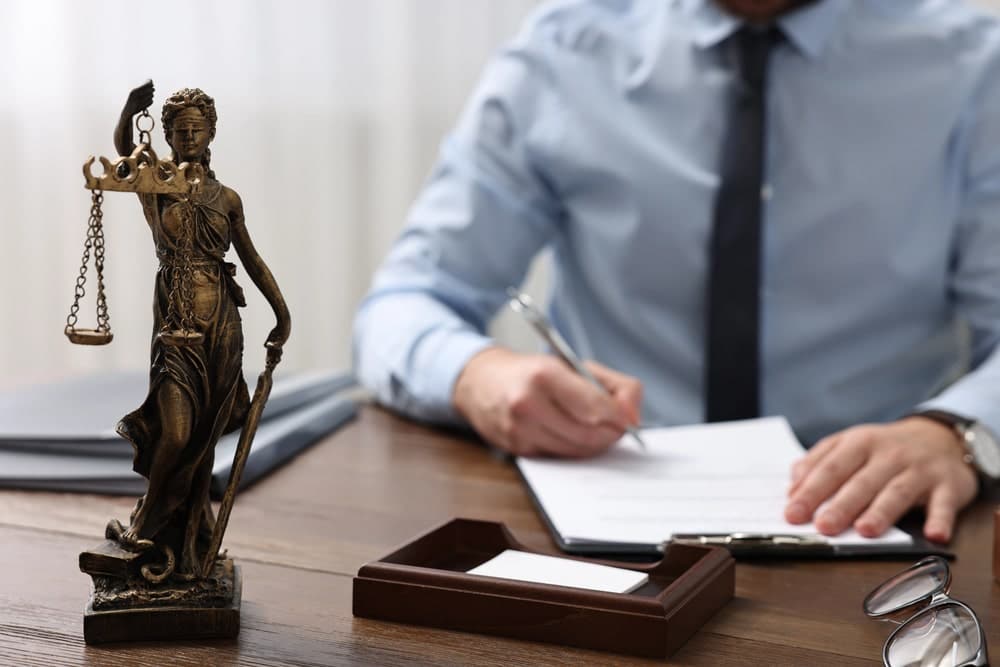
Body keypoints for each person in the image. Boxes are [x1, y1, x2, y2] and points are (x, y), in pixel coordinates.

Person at [353, 0, 1000, 545]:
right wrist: (478, 375)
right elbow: (405, 302)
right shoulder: (564, 50)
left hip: (875, 524)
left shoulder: (971, 64)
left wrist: (957, 431)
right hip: (607, 516)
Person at [109, 81, 291, 580]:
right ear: (166, 134)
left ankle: (190, 537)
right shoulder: (157, 185)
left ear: (211, 133)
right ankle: (148, 518)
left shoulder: (226, 198)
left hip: (222, 327)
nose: (189, 135)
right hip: (176, 323)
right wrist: (128, 110)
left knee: (205, 437)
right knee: (177, 431)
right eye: (180, 128)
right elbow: (124, 153)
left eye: (197, 127)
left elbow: (250, 258)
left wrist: (282, 313)